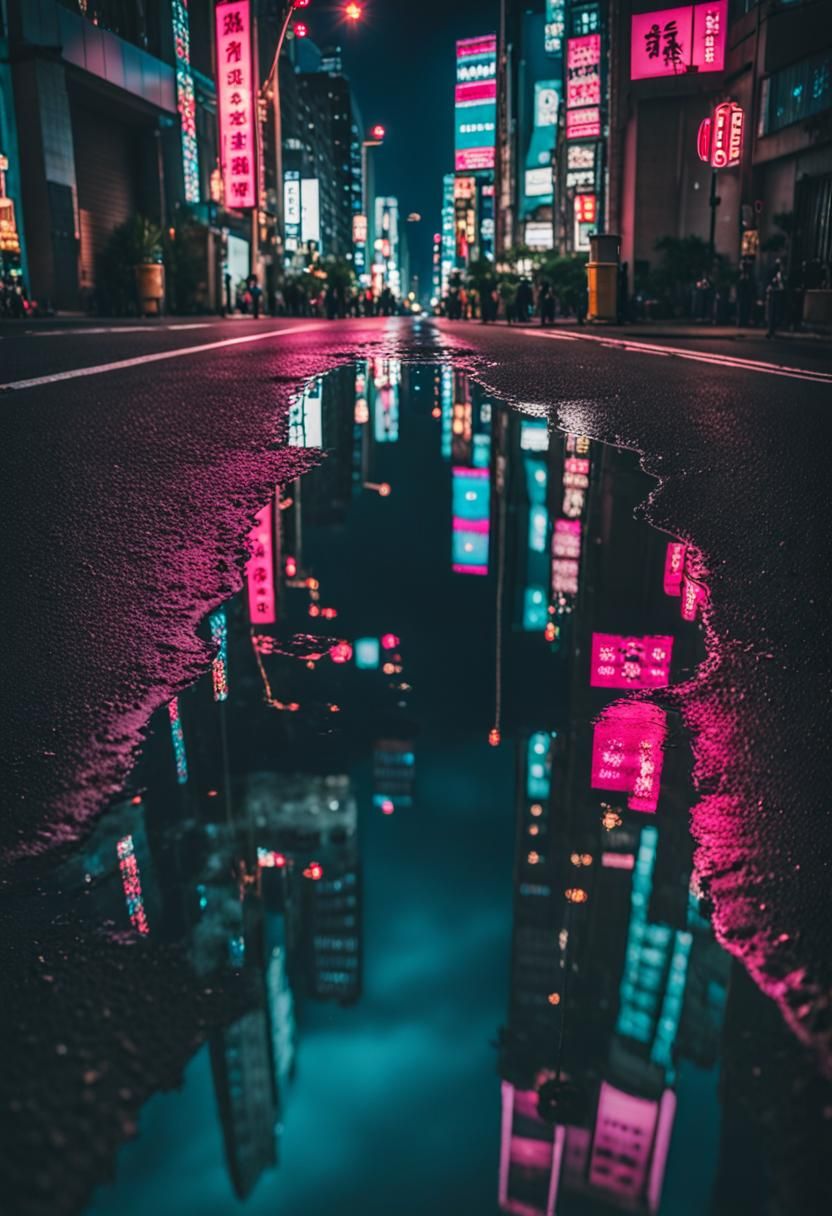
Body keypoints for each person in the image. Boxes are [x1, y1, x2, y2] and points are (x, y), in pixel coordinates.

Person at [765, 259, 784, 337]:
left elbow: (781, 286)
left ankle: (772, 330)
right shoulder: (773, 274)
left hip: (777, 295)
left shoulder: (780, 274)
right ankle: (770, 330)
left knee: (774, 314)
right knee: (771, 314)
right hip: (772, 295)